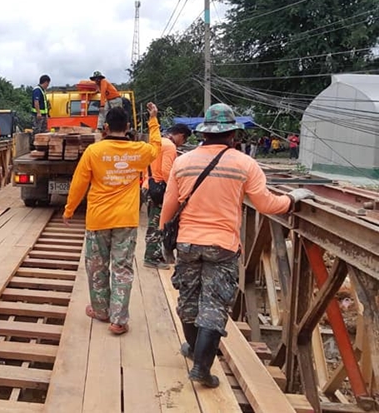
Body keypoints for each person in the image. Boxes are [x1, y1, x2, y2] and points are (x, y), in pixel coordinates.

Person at [160, 103, 315, 389]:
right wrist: (293, 198)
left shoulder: (184, 162)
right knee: (214, 303)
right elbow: (267, 205)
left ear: (204, 133)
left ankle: (193, 349)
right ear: (233, 134)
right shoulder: (245, 164)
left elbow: (169, 205)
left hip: (188, 242)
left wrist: (164, 239)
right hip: (223, 245)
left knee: (189, 299)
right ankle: (201, 368)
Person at [63, 103, 161, 335]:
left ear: (105, 127)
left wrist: (69, 210)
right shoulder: (139, 151)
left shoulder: (94, 152)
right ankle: (118, 320)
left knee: (96, 266)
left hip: (98, 218)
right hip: (126, 220)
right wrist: (153, 120)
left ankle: (100, 310)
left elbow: (79, 183)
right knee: (122, 268)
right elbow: (156, 146)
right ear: (127, 127)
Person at [143, 123, 192, 270]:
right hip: (159, 188)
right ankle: (151, 257)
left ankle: (154, 254)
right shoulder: (170, 146)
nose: (182, 143)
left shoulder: (156, 143)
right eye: (184, 140)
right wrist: (177, 189)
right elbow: (166, 171)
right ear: (181, 135)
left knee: (153, 221)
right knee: (157, 223)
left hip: (149, 185)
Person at [30, 74, 51, 149]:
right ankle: (33, 146)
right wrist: (38, 113)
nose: (47, 86)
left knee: (43, 131)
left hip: (43, 115)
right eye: (48, 84)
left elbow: (44, 104)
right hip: (38, 115)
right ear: (45, 82)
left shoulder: (42, 90)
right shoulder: (37, 90)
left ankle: (42, 146)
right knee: (37, 131)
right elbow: (36, 102)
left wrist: (46, 114)